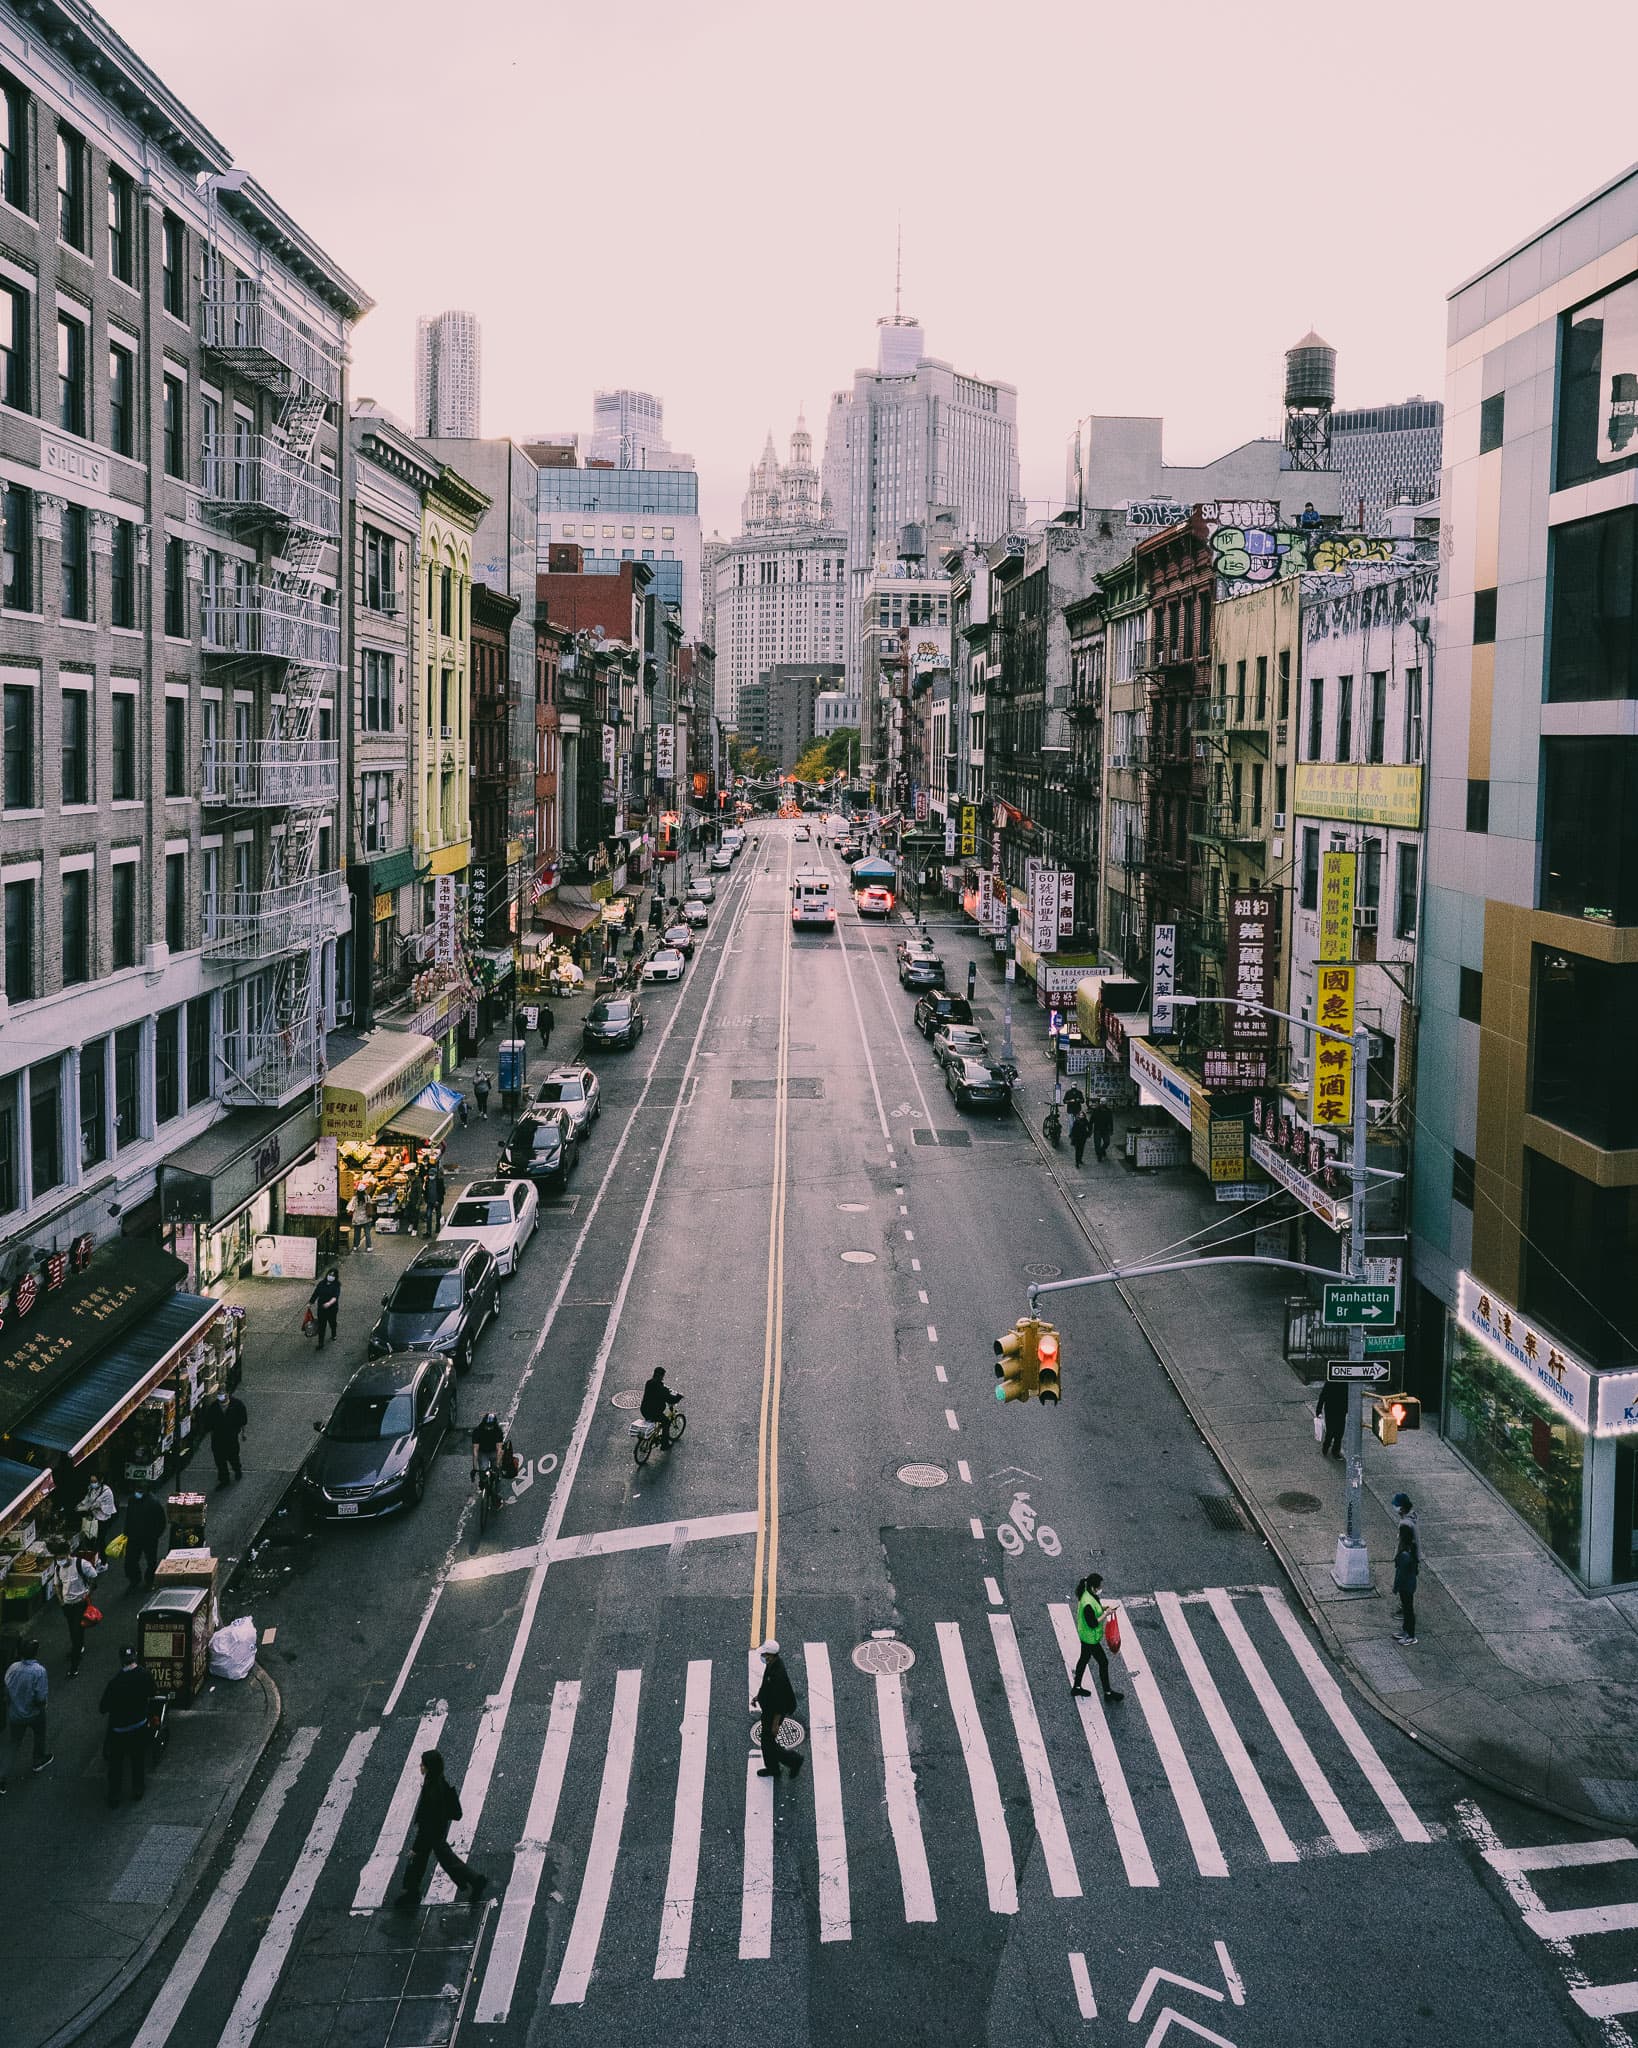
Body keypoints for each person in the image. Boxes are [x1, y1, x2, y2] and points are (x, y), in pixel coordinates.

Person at [395, 1750, 487, 1906]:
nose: (420, 1766)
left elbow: (426, 1823)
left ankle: (475, 1880)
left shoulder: (432, 1789)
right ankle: (412, 1889)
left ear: (429, 1767)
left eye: (423, 1764)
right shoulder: (436, 1781)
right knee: (439, 1858)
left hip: (432, 1831)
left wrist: (416, 1847)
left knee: (431, 1858)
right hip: (438, 1828)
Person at [100, 1645, 156, 1808]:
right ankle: (137, 1789)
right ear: (135, 1657)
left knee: (116, 1764)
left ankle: (114, 1795)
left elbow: (103, 1707)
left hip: (119, 1729)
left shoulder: (115, 1682)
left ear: (121, 1660)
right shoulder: (145, 1675)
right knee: (137, 1760)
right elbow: (152, 1692)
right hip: (139, 1725)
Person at [44, 1538, 97, 1680]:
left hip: (80, 1604)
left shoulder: (81, 1564)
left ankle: (75, 1664)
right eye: (58, 1558)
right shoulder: (58, 1568)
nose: (60, 1561)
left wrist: (88, 1592)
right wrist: (61, 1601)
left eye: (62, 1558)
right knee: (74, 1628)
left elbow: (93, 1577)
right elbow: (57, 1585)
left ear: (68, 1553)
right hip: (67, 1606)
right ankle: (78, 1647)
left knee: (75, 1632)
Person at [0, 1639, 51, 1787]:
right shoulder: (39, 1671)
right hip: (34, 1713)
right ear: (35, 1653)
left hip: (15, 1714)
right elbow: (40, 1698)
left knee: (14, 1744)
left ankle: (1, 1778)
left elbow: (6, 1690)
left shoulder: (12, 1668)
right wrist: (42, 1706)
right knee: (39, 1734)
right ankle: (38, 1760)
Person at [752, 1640, 804, 1780]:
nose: (762, 1656)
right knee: (767, 1742)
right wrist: (759, 1697)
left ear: (771, 1655)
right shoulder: (773, 1664)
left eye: (764, 1654)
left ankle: (794, 1761)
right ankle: (773, 1768)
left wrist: (775, 1724)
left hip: (773, 1713)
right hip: (769, 1709)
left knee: (768, 1744)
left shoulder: (777, 1675)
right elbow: (766, 1686)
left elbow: (780, 1704)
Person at [1070, 1572, 1124, 1703]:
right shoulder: (1088, 1603)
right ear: (1093, 1587)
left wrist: (1104, 1608)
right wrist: (1106, 1614)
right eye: (1099, 1587)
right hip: (1090, 1638)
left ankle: (1076, 1687)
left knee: (1084, 1659)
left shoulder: (1088, 1593)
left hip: (1086, 1635)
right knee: (1103, 1662)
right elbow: (1093, 1623)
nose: (1100, 1589)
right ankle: (1107, 1693)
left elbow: (1096, 1608)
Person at [122, 1486, 168, 1592]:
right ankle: (135, 1580)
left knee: (151, 1561)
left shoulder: (153, 1503)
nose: (137, 1493)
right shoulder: (132, 1500)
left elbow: (161, 1521)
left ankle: (149, 1581)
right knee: (131, 1560)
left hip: (149, 1538)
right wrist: (127, 1532)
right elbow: (129, 1517)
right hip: (134, 1537)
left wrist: (155, 1535)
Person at [208, 1386, 249, 1489]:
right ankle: (224, 1479)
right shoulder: (214, 1407)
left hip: (231, 1436)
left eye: (222, 1393)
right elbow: (210, 1425)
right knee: (220, 1460)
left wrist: (243, 1433)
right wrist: (212, 1437)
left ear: (227, 1393)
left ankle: (237, 1470)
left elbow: (243, 1420)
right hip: (218, 1438)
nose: (220, 1396)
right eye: (219, 1394)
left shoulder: (237, 1405)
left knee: (233, 1456)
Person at [1393, 1521, 1420, 1646]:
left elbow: (1401, 1574)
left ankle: (1411, 1635)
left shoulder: (1404, 1554)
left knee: (1408, 1610)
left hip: (1406, 1586)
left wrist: (1395, 1587)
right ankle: (1406, 1631)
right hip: (1409, 1584)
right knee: (1407, 1609)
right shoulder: (1411, 1549)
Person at [639, 1366, 681, 1444]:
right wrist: (678, 1397)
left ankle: (654, 1434)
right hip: (654, 1412)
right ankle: (665, 1444)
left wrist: (665, 1389)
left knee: (654, 1419)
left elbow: (657, 1390)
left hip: (644, 1409)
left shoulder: (649, 1382)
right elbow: (670, 1399)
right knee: (666, 1422)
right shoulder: (661, 1389)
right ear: (661, 1376)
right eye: (663, 1376)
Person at [471, 1411, 507, 1498]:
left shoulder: (498, 1431)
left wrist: (497, 1464)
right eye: (487, 1426)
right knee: (483, 1469)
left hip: (494, 1451)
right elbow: (475, 1450)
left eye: (490, 1426)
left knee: (497, 1471)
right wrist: (475, 1468)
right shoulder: (477, 1431)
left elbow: (499, 1449)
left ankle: (497, 1486)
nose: (488, 1428)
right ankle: (483, 1482)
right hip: (483, 1452)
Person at [309, 1267, 341, 1350]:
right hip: (321, 1309)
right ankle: (321, 1343)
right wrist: (310, 1302)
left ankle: (333, 1334)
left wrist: (329, 1303)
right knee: (322, 1326)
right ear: (327, 1274)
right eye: (330, 1274)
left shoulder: (336, 1285)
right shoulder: (321, 1284)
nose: (331, 1276)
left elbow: (335, 1297)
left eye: (333, 1275)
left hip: (332, 1309)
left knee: (332, 1323)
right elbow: (315, 1293)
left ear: (335, 1277)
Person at [1315, 1380, 1348, 1460]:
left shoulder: (1345, 1381)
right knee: (1331, 1430)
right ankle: (1326, 1446)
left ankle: (1335, 1451)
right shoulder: (1331, 1381)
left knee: (1339, 1432)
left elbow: (1348, 1396)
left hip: (1340, 1409)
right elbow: (1323, 1395)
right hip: (1331, 1409)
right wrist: (1318, 1410)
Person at [423, 1158, 446, 1238]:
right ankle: (428, 1231)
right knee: (428, 1216)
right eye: (430, 1175)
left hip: (437, 1202)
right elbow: (426, 1191)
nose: (431, 1176)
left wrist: (438, 1201)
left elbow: (442, 1192)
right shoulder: (427, 1182)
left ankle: (437, 1228)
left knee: (438, 1215)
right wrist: (426, 1200)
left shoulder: (439, 1182)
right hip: (430, 1201)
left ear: (435, 1175)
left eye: (432, 1175)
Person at [350, 1182, 374, 1253]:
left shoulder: (354, 1198)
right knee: (367, 1233)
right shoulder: (367, 1197)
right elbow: (370, 1205)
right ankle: (368, 1247)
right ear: (364, 1191)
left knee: (356, 1233)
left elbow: (350, 1208)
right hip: (366, 1218)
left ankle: (355, 1246)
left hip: (356, 1218)